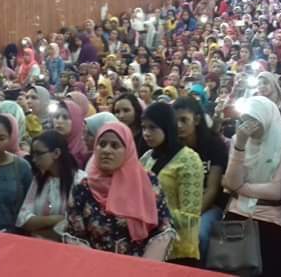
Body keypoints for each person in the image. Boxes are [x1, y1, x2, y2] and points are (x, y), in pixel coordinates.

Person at [65, 122, 173, 257]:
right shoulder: (83, 188)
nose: (106, 150)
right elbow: (75, 235)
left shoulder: (146, 182)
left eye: (115, 145)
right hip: (94, 265)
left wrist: (145, 266)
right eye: (102, 144)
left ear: (128, 150)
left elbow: (162, 229)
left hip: (140, 265)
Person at [222, 96, 281, 277]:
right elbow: (230, 181)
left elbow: (276, 192)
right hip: (238, 212)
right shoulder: (238, 139)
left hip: (271, 217)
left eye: (254, 120)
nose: (248, 126)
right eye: (244, 120)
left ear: (267, 118)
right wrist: (240, 146)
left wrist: (239, 188)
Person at [140, 102, 203, 264]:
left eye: (152, 128)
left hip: (178, 250)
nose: (146, 133)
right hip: (148, 245)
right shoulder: (147, 157)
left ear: (167, 126)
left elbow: (191, 217)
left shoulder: (188, 159)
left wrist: (153, 211)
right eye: (144, 127)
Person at [171, 96, 229, 260]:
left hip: (208, 206)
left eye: (184, 120)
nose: (179, 126)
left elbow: (212, 189)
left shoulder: (214, 144)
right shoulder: (172, 146)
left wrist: (188, 218)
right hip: (178, 204)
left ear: (196, 120)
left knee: (198, 235)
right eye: (175, 121)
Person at [16, 130, 85, 239]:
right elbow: (23, 219)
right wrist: (53, 219)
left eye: (39, 154)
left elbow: (75, 226)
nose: (34, 159)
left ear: (56, 153)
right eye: (33, 154)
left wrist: (39, 228)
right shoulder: (39, 180)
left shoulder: (80, 181)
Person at [52, 100, 89, 168]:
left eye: (65, 117)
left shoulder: (82, 155)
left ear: (76, 121)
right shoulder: (48, 146)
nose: (59, 121)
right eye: (56, 117)